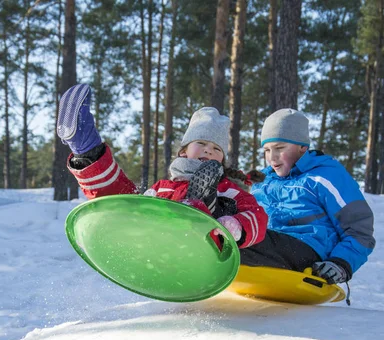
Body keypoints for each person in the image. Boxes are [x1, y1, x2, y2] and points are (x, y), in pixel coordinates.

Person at [57, 83, 268, 249]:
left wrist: (237, 225)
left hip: (202, 249)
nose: (208, 151)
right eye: (201, 144)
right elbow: (135, 207)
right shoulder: (164, 187)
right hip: (154, 240)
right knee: (125, 200)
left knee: (222, 207)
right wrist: (133, 212)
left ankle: (196, 210)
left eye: (216, 149)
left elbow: (257, 215)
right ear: (184, 151)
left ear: (222, 159)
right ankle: (86, 147)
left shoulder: (230, 190)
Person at [240, 108, 376, 286]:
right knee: (228, 225)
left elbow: (359, 229)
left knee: (238, 238)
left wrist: (341, 263)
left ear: (302, 147)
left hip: (308, 253)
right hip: (269, 248)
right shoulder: (262, 182)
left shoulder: (325, 177)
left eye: (280, 148)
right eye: (266, 150)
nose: (272, 157)